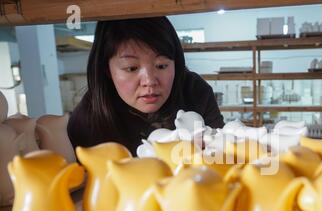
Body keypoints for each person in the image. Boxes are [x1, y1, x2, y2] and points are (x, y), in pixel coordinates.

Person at [67, 17, 224, 156]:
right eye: (131, 68)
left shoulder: (195, 92)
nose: (149, 81)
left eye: (161, 65)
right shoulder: (89, 119)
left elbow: (223, 153)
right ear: (107, 69)